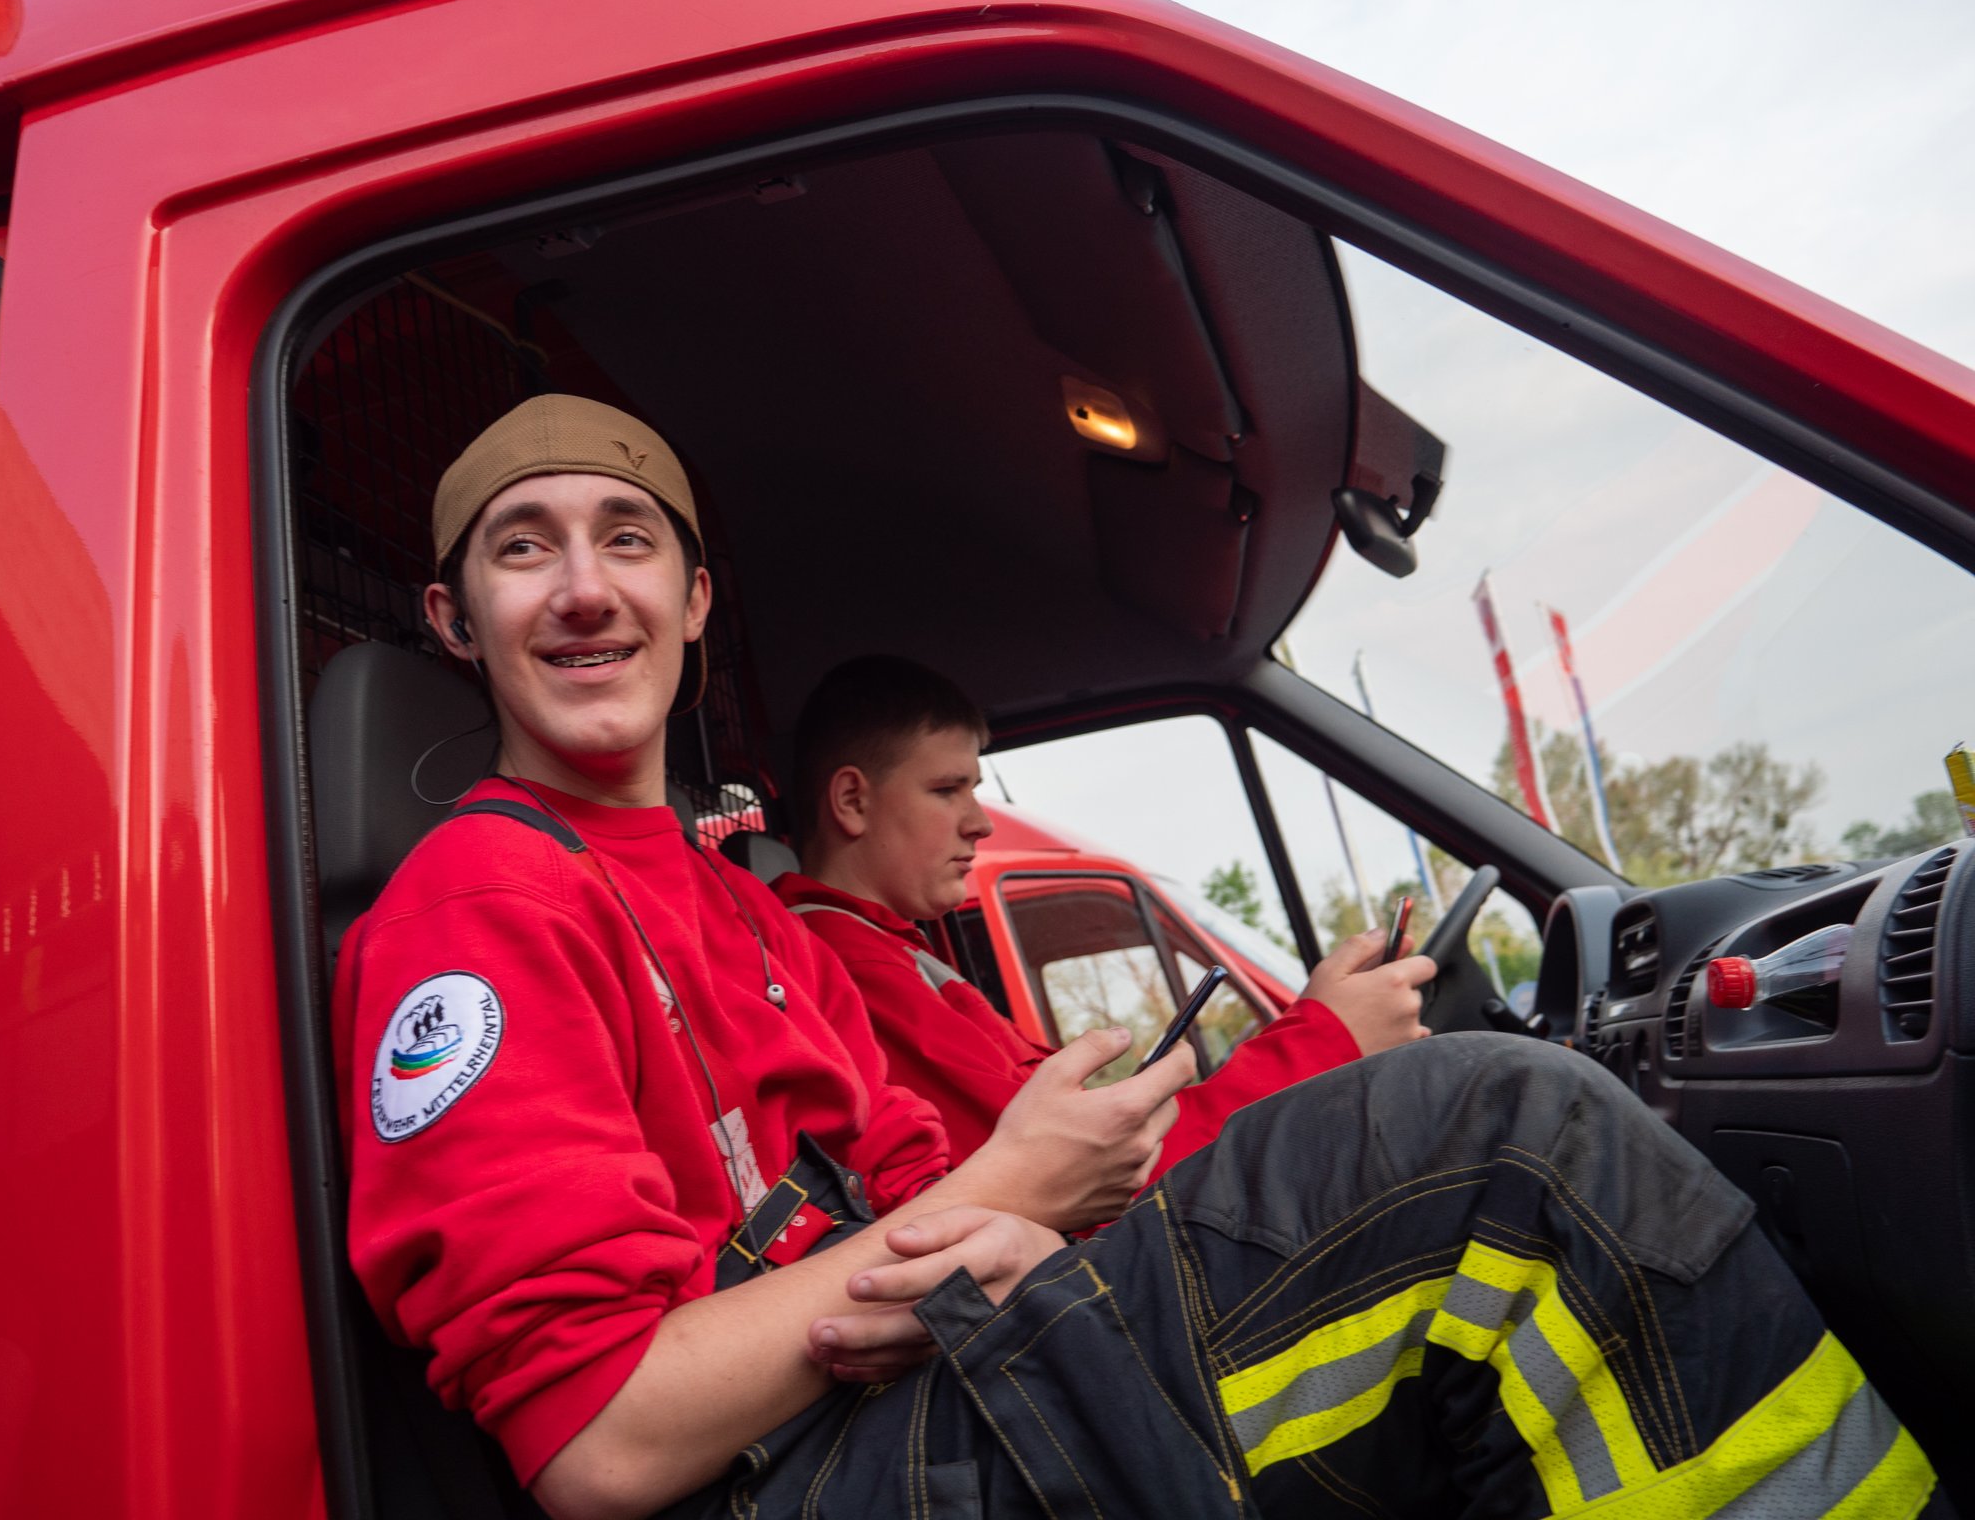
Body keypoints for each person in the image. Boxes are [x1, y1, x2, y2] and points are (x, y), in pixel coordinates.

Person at [335, 393, 1940, 1520]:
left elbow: (910, 1179)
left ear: (692, 602)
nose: (585, 590)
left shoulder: (736, 904)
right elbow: (599, 1441)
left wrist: (997, 1227)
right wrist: (1006, 1198)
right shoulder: (474, 909)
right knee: (1510, 1146)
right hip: (809, 1481)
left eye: (625, 542)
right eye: (523, 550)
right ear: (455, 619)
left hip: (908, 1391)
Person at [773, 654, 1432, 1173]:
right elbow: (1084, 1175)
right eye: (947, 790)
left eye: (973, 790)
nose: (978, 823)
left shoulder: (890, 951)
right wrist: (1326, 1040)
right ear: (852, 801)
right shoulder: (849, 966)